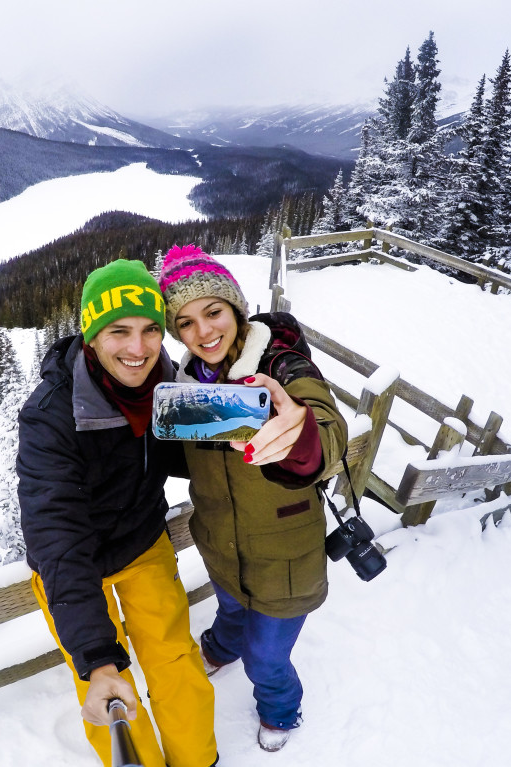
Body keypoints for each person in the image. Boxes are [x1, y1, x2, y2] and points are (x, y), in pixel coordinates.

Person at [16, 259, 218, 767]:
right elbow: (56, 536)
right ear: (90, 334)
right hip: (74, 568)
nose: (139, 348)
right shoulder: (51, 417)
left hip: (142, 543)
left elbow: (200, 452)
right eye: (119, 331)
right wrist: (96, 657)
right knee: (107, 683)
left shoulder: (166, 387)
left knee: (175, 661)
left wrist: (266, 422)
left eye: (151, 329)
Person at [157, 244, 349, 753]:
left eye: (213, 312)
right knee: (230, 610)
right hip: (221, 549)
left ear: (236, 310)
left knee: (267, 657)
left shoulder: (279, 365)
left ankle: (281, 709)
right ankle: (221, 647)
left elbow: (325, 434)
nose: (203, 332)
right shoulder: (187, 388)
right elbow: (189, 460)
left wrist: (302, 436)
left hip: (286, 561)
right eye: (185, 322)